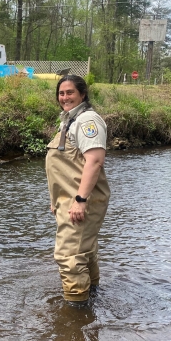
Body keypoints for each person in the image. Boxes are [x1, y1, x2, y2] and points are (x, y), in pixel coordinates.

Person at [45, 75, 110, 308]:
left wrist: (81, 200)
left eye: (70, 92)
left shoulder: (87, 120)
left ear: (82, 94)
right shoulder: (69, 120)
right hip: (69, 200)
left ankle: (76, 313)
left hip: (82, 201)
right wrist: (56, 200)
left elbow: (94, 161)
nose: (65, 97)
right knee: (85, 251)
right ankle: (92, 297)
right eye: (61, 93)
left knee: (69, 256)